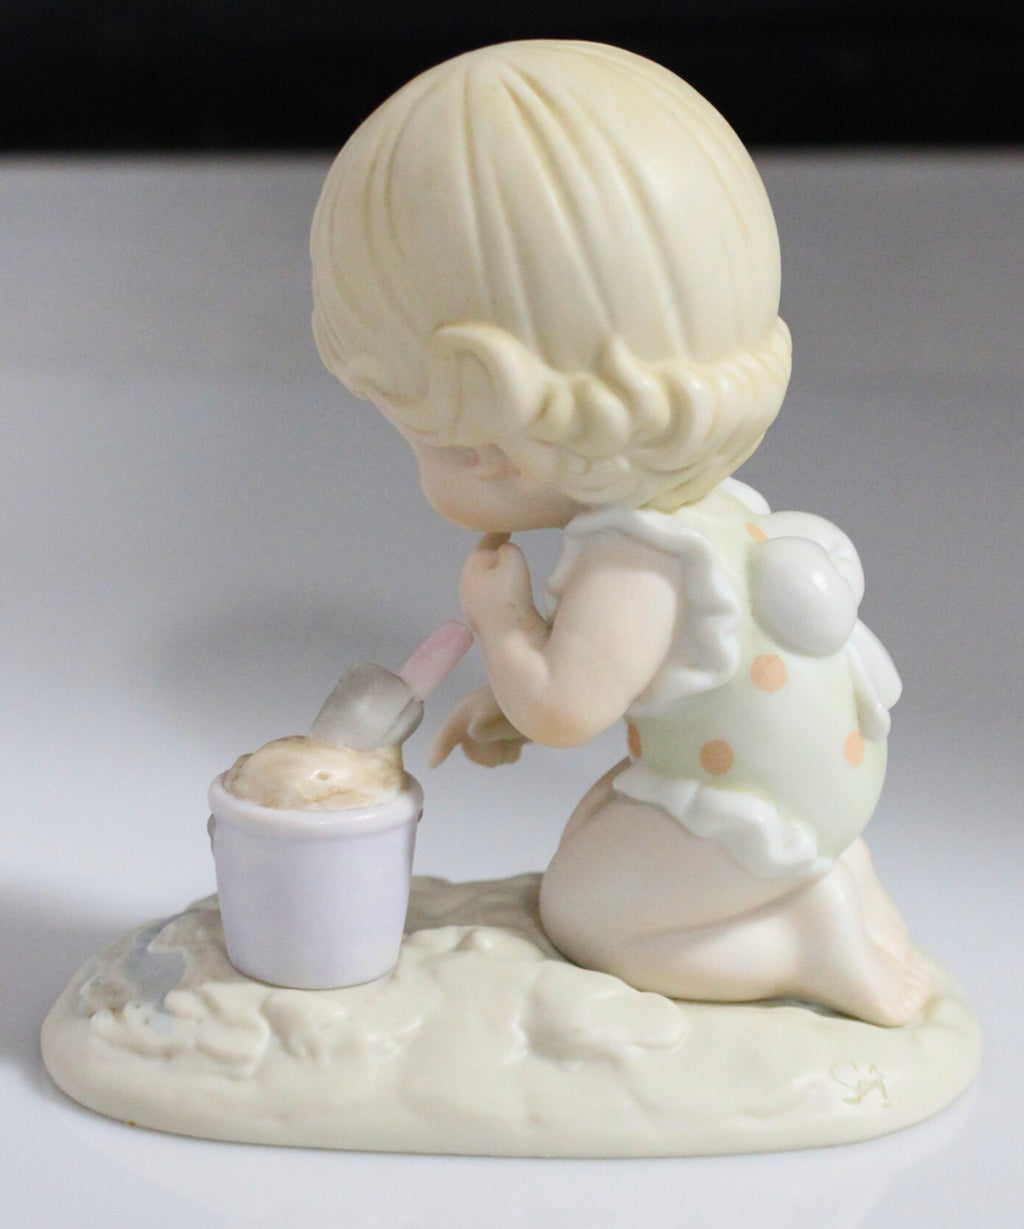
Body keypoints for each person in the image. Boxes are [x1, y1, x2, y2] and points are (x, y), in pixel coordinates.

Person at [310, 40, 929, 1025]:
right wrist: (502, 705)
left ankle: (802, 934)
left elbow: (569, 706)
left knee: (588, 911)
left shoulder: (631, 561)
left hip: (748, 804)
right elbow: (624, 670)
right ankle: (831, 875)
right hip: (808, 778)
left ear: (496, 442)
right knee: (603, 821)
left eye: (421, 440)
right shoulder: (700, 510)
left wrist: (501, 617)